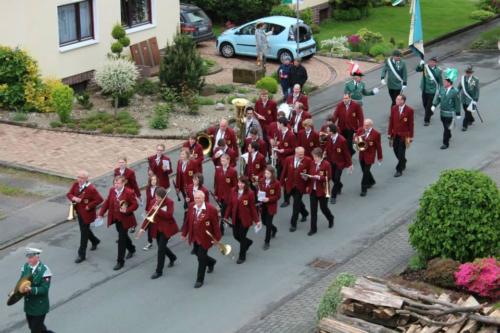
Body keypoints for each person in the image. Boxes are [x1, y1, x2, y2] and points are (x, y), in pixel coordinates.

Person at [181, 191, 221, 288]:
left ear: (203, 198)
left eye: (199, 198)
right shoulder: (191, 206)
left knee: (201, 258)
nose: (197, 200)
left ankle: (200, 279)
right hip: (195, 237)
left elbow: (215, 225)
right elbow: (187, 221)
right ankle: (211, 262)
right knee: (197, 253)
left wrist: (217, 239)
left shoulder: (211, 209)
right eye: (195, 198)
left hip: (205, 238)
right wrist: (184, 233)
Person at [137, 187, 178, 279]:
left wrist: (158, 210)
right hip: (157, 229)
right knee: (161, 247)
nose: (157, 199)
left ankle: (159, 271)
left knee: (160, 250)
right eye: (156, 196)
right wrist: (142, 229)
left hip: (166, 229)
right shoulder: (153, 202)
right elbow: (148, 217)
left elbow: (169, 215)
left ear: (163, 197)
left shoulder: (169, 203)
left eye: (159, 197)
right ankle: (172, 257)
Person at [98, 175, 138, 270]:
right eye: (115, 183)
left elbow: (135, 205)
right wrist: (101, 213)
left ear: (123, 183)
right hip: (116, 219)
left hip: (125, 219)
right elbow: (107, 202)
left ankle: (120, 261)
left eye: (118, 183)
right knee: (123, 236)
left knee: (121, 239)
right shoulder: (112, 190)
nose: (116, 185)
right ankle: (132, 248)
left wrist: (127, 210)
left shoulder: (129, 192)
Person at [66, 170, 103, 263]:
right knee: (84, 230)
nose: (79, 179)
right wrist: (74, 198)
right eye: (78, 177)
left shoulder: (91, 188)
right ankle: (95, 241)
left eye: (82, 178)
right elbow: (69, 194)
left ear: (86, 179)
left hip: (87, 214)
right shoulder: (75, 184)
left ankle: (81, 254)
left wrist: (89, 206)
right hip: (78, 211)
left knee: (83, 233)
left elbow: (99, 199)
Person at [224, 176, 261, 264]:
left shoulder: (250, 193)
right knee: (236, 235)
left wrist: (257, 220)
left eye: (242, 183)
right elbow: (230, 205)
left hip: (245, 219)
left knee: (242, 237)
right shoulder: (233, 190)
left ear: (246, 184)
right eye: (239, 183)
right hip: (235, 218)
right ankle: (248, 243)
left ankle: (242, 256)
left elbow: (252, 208)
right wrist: (225, 217)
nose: (240, 185)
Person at [17, 248, 54, 333]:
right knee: (34, 327)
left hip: (39, 307)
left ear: (37, 257)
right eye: (28, 257)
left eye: (31, 257)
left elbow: (44, 289)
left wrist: (31, 289)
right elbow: (21, 281)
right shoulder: (25, 267)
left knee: (35, 330)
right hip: (29, 306)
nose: (29, 259)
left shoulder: (45, 270)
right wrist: (15, 291)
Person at [281, 147, 311, 231]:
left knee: (296, 205)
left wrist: (308, 182)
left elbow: (310, 173)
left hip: (300, 186)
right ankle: (305, 213)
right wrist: (281, 182)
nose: (302, 156)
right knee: (298, 202)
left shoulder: (308, 160)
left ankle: (293, 223)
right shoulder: (288, 159)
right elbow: (284, 171)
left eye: (303, 154)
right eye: (300, 154)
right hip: (290, 184)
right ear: (295, 153)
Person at [307, 148, 335, 236]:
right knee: (313, 210)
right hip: (313, 190)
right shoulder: (312, 163)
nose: (313, 158)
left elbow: (329, 177)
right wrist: (307, 177)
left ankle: (330, 218)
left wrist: (319, 177)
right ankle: (313, 228)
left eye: (314, 157)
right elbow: (310, 173)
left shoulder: (326, 164)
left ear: (319, 156)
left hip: (323, 190)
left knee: (323, 208)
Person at [431, 68, 461, 150]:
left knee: (446, 129)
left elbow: (457, 103)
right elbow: (438, 98)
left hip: (449, 114)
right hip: (442, 113)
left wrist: (458, 113)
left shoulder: (455, 91)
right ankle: (449, 134)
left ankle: (445, 143)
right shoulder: (442, 89)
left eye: (445, 82)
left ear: (449, 83)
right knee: (445, 127)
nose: (444, 83)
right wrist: (434, 105)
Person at [324, 124, 352, 204]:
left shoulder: (342, 140)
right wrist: (325, 152)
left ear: (332, 131)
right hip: (331, 161)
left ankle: (333, 196)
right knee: (332, 177)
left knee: (336, 179)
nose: (327, 131)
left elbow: (346, 153)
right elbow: (327, 147)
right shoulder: (329, 137)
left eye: (328, 130)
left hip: (340, 163)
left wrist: (350, 164)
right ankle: (340, 185)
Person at [388, 94, 414, 177]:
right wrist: (389, 133)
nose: (397, 101)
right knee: (395, 150)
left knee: (401, 152)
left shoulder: (409, 110)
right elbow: (391, 121)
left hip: (404, 135)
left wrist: (411, 136)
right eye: (396, 99)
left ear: (403, 101)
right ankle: (403, 161)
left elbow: (411, 124)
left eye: (398, 99)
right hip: (395, 134)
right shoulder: (394, 108)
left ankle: (399, 170)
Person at [355, 119, 383, 197]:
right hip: (362, 155)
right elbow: (356, 137)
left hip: (370, 156)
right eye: (364, 125)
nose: (365, 127)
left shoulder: (376, 134)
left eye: (367, 125)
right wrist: (357, 138)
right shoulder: (361, 130)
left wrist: (380, 157)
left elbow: (378, 146)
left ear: (371, 125)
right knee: (364, 170)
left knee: (366, 172)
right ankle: (372, 181)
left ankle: (363, 189)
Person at [273, 117, 296, 207]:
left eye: (278, 124)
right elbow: (279, 143)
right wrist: (276, 149)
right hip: (280, 160)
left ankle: (287, 199)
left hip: (287, 162)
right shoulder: (279, 132)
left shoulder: (291, 135)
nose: (277, 125)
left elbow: (294, 149)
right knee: (279, 178)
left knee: (286, 180)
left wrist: (284, 151)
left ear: (282, 124)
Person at [114, 156, 141, 233]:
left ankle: (132, 224)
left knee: (129, 210)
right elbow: (115, 181)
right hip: (119, 193)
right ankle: (125, 225)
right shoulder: (116, 171)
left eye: (122, 162)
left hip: (127, 194)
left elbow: (134, 184)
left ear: (126, 163)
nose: (121, 164)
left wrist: (138, 195)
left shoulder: (130, 172)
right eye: (119, 162)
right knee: (122, 209)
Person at [213, 154, 238, 235]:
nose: (222, 162)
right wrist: (216, 193)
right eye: (221, 160)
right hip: (220, 195)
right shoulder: (218, 170)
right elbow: (216, 183)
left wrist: (234, 195)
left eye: (224, 160)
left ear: (228, 161)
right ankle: (236, 222)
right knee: (228, 211)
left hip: (228, 196)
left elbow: (235, 185)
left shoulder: (233, 171)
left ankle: (221, 229)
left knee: (223, 212)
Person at [258, 166, 281, 250]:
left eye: (268, 173)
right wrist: (259, 198)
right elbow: (260, 191)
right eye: (265, 173)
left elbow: (278, 196)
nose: (266, 175)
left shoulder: (276, 183)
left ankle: (267, 242)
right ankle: (274, 229)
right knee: (265, 222)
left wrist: (269, 199)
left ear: (272, 174)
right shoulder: (261, 181)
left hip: (271, 206)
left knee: (268, 224)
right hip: (263, 206)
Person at [416, 56, 443, 126]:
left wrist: (441, 91)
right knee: (424, 104)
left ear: (436, 63)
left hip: (432, 91)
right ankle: (430, 112)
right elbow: (417, 70)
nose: (431, 63)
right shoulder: (425, 67)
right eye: (430, 61)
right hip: (424, 89)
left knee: (428, 106)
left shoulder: (438, 71)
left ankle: (427, 120)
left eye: (433, 62)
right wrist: (420, 64)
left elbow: (441, 82)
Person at [458, 65, 480, 132]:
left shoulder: (475, 79)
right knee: (466, 110)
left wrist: (476, 98)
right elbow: (459, 87)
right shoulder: (462, 78)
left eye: (469, 72)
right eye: (467, 72)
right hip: (464, 98)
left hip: (472, 99)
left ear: (471, 73)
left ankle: (464, 125)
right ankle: (471, 119)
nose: (468, 73)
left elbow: (477, 90)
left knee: (467, 113)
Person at [142, 174, 158, 251]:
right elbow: (148, 200)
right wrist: (146, 210)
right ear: (150, 181)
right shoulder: (148, 189)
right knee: (149, 225)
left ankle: (166, 236)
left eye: (155, 179)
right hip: (150, 210)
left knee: (159, 225)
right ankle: (149, 242)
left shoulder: (159, 189)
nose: (154, 181)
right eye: (152, 180)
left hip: (157, 210)